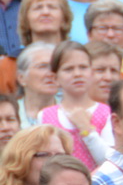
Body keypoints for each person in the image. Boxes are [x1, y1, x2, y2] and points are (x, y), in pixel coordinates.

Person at [38, 41, 113, 170]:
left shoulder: (106, 113)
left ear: (92, 72)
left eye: (83, 67)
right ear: (55, 78)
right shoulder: (45, 116)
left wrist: (86, 130)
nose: (77, 74)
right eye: (68, 69)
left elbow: (109, 162)